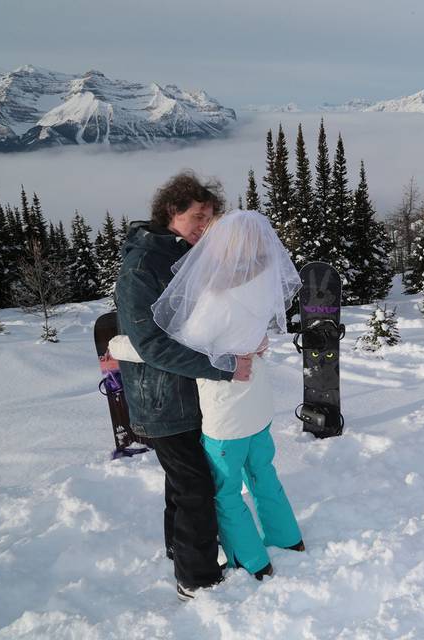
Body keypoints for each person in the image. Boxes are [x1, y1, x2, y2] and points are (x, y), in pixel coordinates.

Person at [112, 209, 305, 585]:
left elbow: (166, 346)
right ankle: (287, 538)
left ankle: (252, 561)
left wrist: (119, 344)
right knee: (263, 474)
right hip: (258, 403)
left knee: (225, 490)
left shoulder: (214, 297)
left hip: (225, 411)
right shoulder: (262, 279)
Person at [115, 171, 252, 601]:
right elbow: (153, 345)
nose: (205, 226)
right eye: (198, 216)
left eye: (211, 218)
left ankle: (178, 548)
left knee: (182, 480)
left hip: (185, 395)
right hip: (161, 401)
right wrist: (226, 367)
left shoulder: (182, 254)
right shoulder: (142, 265)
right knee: (195, 485)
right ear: (172, 212)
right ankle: (196, 577)